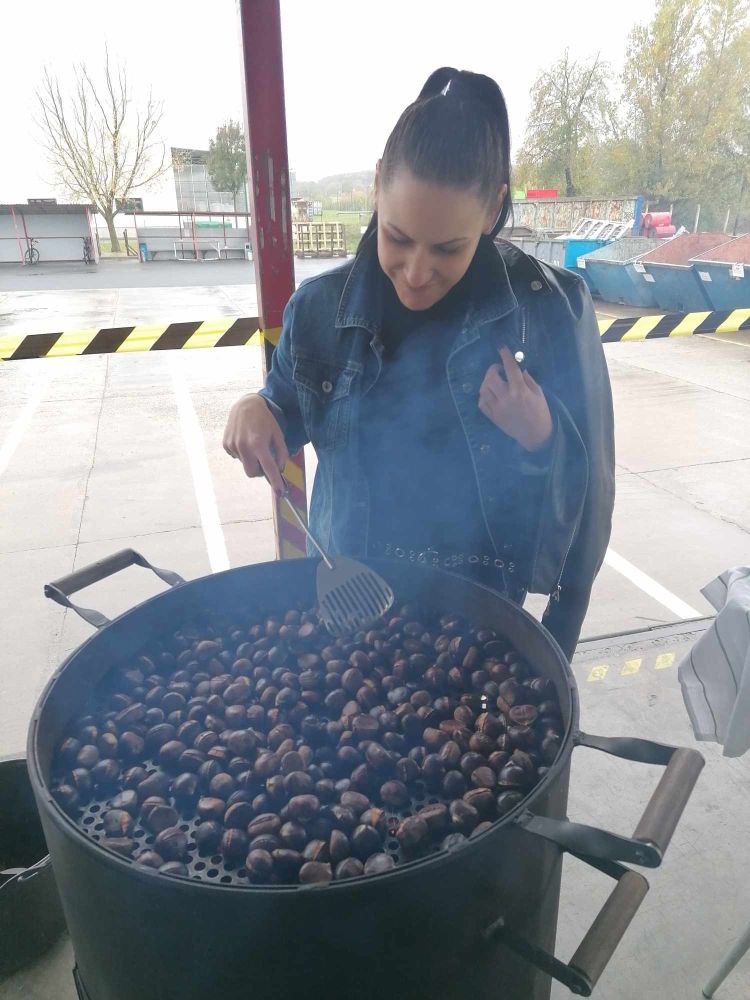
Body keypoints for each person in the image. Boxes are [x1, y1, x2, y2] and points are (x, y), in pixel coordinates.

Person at [223, 67, 615, 660]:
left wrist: (542, 435)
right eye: (398, 238)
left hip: (479, 614)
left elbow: (589, 503)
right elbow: (284, 406)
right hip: (350, 599)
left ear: (493, 209)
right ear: (377, 185)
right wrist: (258, 408)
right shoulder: (319, 309)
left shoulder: (546, 312)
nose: (415, 273)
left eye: (447, 249)